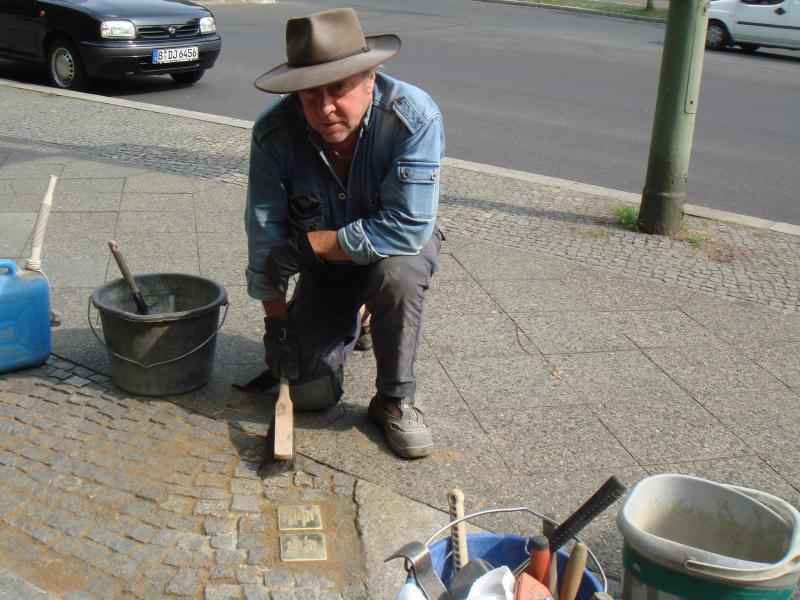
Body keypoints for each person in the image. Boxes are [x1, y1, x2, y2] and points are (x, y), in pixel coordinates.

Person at [245, 8, 445, 459]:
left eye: (339, 89)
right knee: (309, 394)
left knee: (397, 275)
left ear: (371, 77)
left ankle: (394, 400)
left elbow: (408, 226)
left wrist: (312, 243)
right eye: (310, 95)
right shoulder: (273, 134)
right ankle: (358, 313)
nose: (326, 108)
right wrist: (276, 324)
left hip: (393, 254)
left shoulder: (413, 117)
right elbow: (264, 237)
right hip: (323, 269)